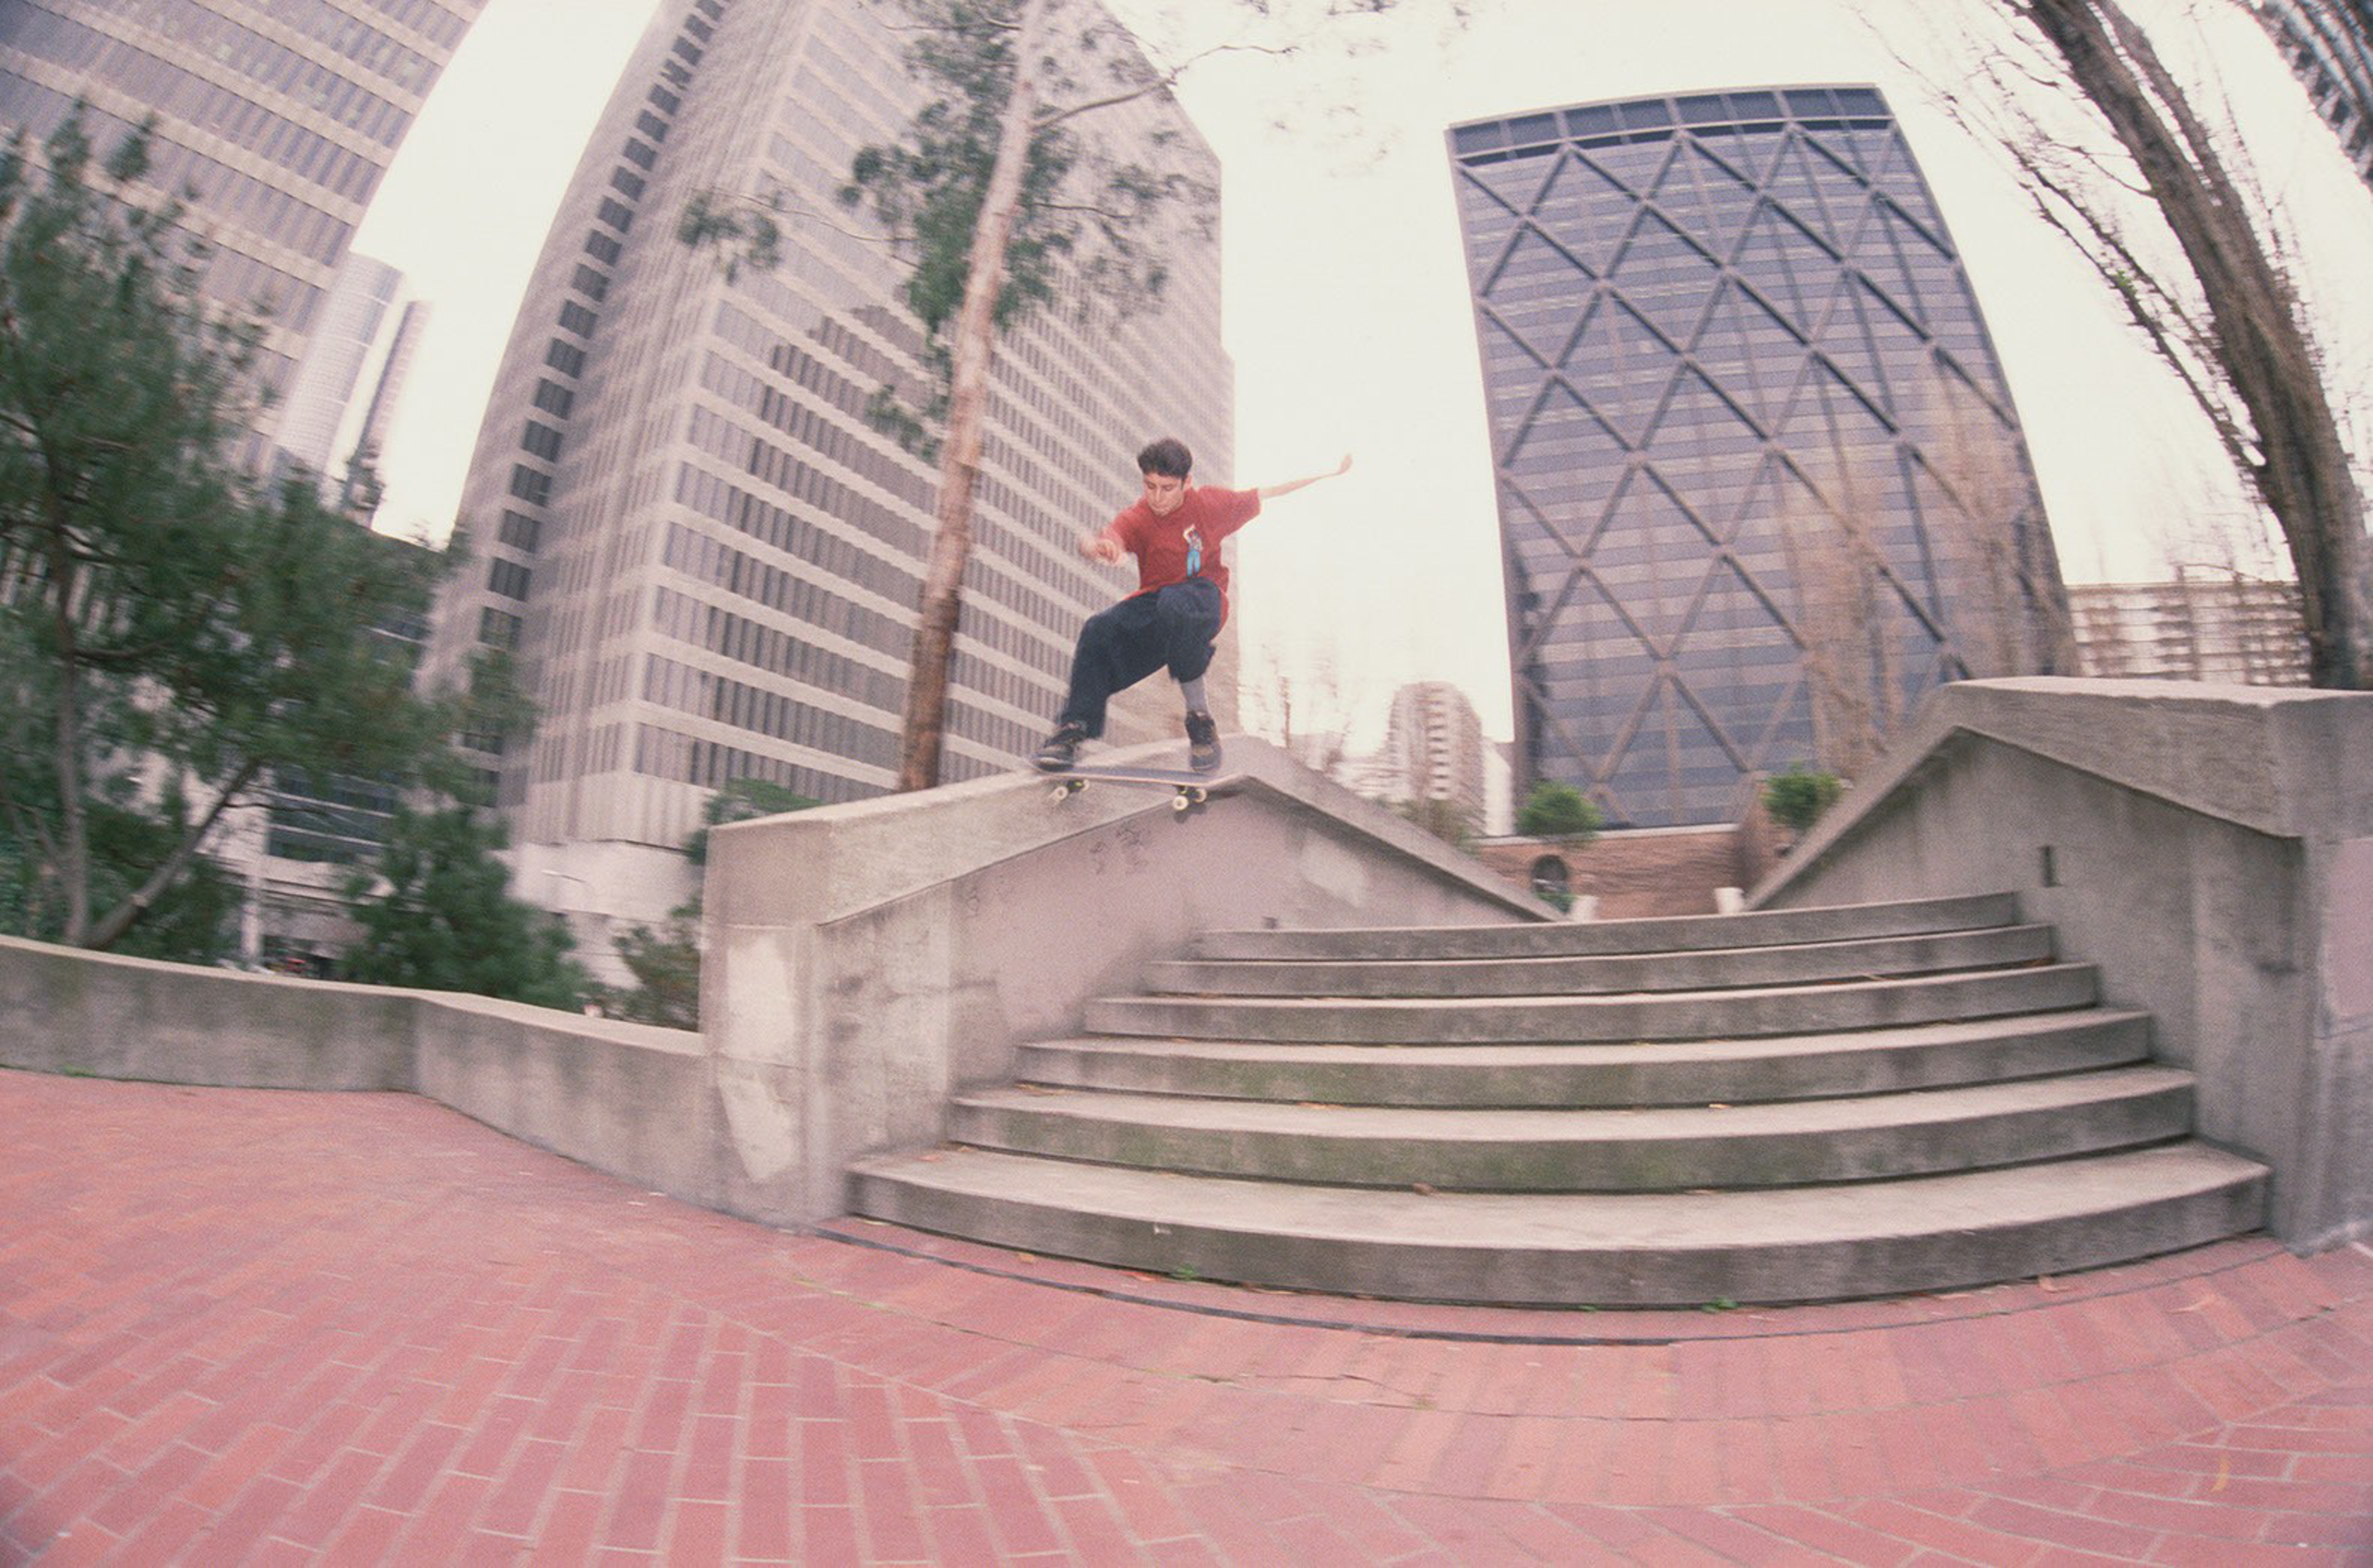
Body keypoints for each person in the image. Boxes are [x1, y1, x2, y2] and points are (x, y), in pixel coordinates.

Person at [1033, 438, 1352, 774]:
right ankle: (1072, 731)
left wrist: (1329, 474)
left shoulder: (1212, 503)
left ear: (1188, 483)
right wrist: (1097, 547)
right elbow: (1113, 537)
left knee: (1177, 604)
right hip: (1157, 603)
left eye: (1167, 489)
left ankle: (1199, 719)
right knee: (1098, 629)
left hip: (1204, 597)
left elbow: (1271, 491)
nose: (1157, 498)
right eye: (1150, 487)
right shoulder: (1140, 515)